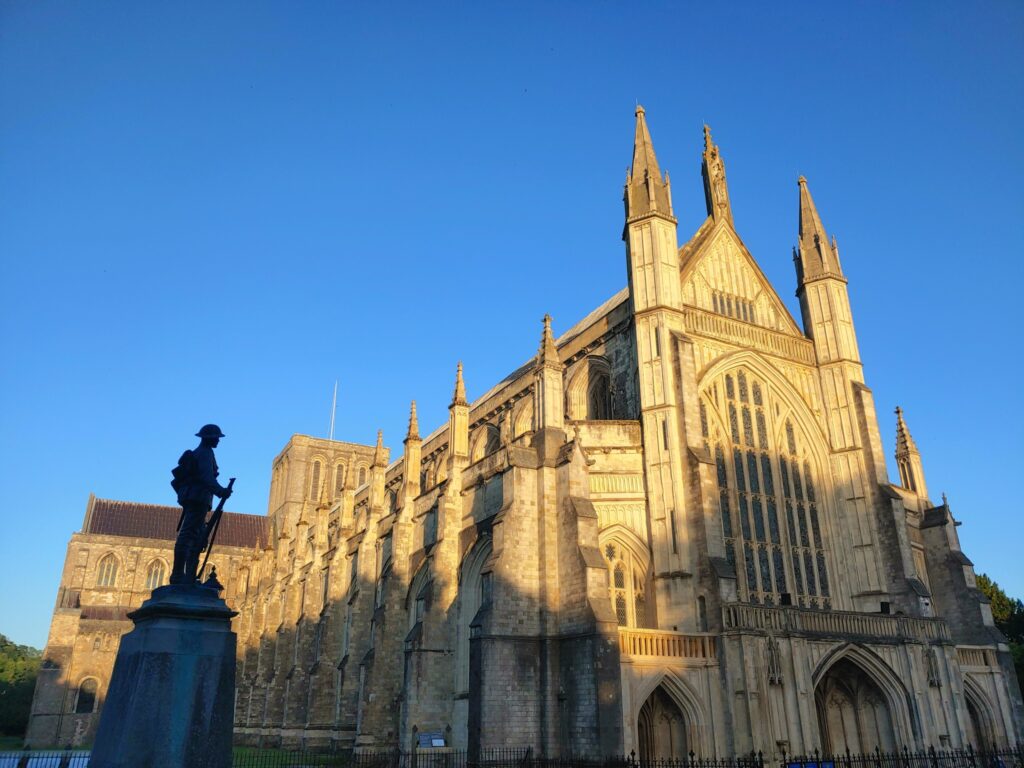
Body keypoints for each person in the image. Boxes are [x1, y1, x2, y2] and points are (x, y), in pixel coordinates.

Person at [171, 424, 232, 584]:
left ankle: (188, 575)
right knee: (188, 534)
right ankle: (178, 575)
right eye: (217, 437)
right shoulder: (205, 453)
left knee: (197, 538)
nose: (219, 440)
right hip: (198, 498)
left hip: (196, 498)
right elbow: (207, 478)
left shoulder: (204, 452)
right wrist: (221, 491)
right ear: (210, 438)